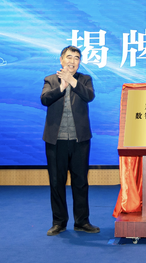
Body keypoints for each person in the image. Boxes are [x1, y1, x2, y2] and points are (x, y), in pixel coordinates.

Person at [41, 45, 99, 236]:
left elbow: (89, 96)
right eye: (69, 57)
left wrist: (72, 81)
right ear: (61, 59)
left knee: (80, 181)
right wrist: (62, 86)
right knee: (56, 182)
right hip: (55, 140)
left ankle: (82, 221)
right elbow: (45, 99)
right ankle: (59, 222)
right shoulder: (50, 80)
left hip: (79, 140)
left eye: (76, 58)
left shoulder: (84, 79)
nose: (72, 61)